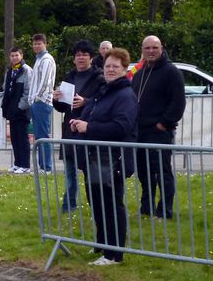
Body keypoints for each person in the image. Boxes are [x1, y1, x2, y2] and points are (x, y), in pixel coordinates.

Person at [69, 47, 137, 265]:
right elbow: (89, 114)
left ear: (125, 69)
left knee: (111, 204)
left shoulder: (125, 95)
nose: (110, 70)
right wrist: (77, 122)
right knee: (96, 202)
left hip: (113, 159)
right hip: (94, 158)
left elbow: (121, 127)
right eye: (107, 66)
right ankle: (101, 244)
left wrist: (88, 127)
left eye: (115, 67)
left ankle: (114, 253)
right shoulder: (103, 91)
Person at [131, 35, 186, 219]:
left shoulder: (171, 72)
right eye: (147, 48)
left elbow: (178, 102)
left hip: (160, 131)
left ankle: (165, 210)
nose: (151, 51)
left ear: (161, 48)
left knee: (162, 172)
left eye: (154, 48)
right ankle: (146, 207)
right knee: (144, 173)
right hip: (141, 131)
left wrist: (164, 124)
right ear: (142, 50)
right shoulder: (139, 74)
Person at [54, 40, 105, 211]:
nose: (81, 57)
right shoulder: (69, 77)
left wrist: (85, 102)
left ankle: (96, 205)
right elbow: (63, 107)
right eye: (77, 55)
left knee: (90, 171)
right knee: (69, 171)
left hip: (88, 130)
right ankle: (69, 204)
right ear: (74, 59)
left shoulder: (99, 78)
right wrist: (56, 99)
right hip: (70, 129)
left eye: (84, 54)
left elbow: (103, 102)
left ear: (91, 58)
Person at [0, 47, 32, 173]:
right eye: (12, 55)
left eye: (16, 55)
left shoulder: (26, 70)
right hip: (11, 110)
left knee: (22, 138)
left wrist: (20, 106)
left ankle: (25, 165)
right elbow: (5, 87)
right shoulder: (10, 71)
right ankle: (17, 163)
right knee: (14, 138)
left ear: (21, 56)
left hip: (21, 111)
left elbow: (28, 91)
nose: (14, 57)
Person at [29, 33, 57, 172]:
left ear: (45, 44)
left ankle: (46, 167)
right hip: (36, 102)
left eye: (39, 43)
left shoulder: (46, 59)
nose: (36, 46)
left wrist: (36, 98)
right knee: (38, 135)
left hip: (42, 102)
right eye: (34, 43)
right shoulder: (38, 60)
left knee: (43, 136)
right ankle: (42, 166)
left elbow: (45, 82)